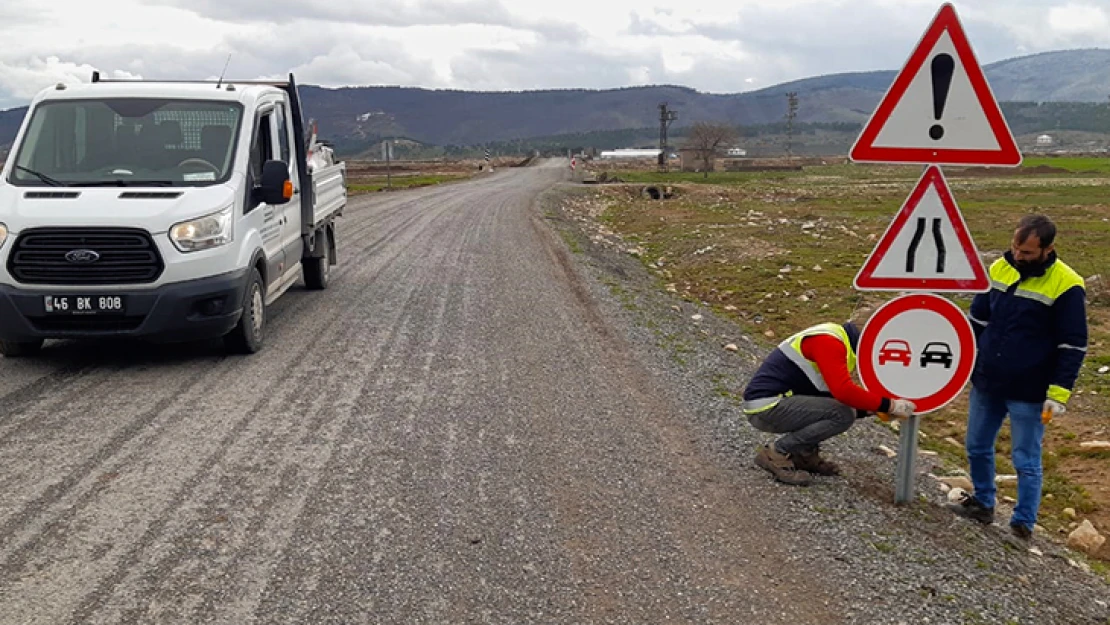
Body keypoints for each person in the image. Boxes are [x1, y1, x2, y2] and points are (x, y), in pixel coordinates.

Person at [947, 214, 1087, 542]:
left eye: (1026, 252)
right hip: (989, 380)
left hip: (1031, 389)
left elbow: (1073, 344)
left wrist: (1059, 393)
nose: (1017, 256)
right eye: (1015, 248)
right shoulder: (1000, 267)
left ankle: (1023, 522)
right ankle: (982, 503)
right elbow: (978, 320)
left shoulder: (1066, 284)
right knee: (977, 446)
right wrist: (962, 362)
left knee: (1025, 457)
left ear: (1048, 249)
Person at [741, 318, 916, 486]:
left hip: (777, 402)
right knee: (842, 414)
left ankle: (803, 455)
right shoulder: (829, 342)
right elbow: (844, 391)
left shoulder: (838, 340)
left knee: (839, 410)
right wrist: (890, 405)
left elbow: (823, 393)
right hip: (767, 407)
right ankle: (777, 453)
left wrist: (871, 409)